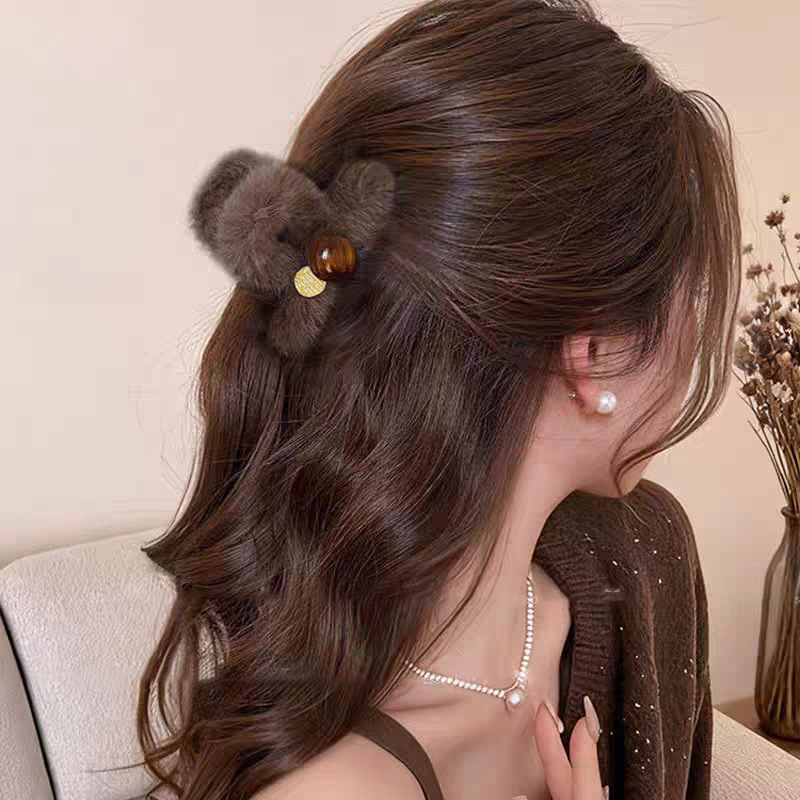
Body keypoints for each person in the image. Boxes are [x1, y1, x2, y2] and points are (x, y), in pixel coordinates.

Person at [134, 1, 741, 798]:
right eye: (691, 296)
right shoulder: (339, 789)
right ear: (592, 356)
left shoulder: (638, 553)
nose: (698, 332)